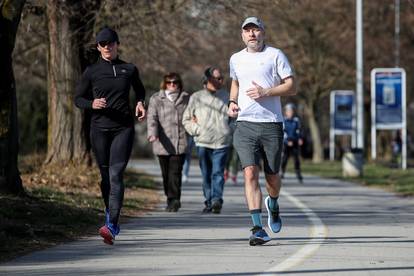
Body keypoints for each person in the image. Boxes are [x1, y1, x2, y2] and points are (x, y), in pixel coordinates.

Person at [228, 17, 296, 246]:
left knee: (272, 176)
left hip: (272, 124)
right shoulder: (235, 58)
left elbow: (291, 86)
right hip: (245, 124)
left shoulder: (275, 55)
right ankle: (257, 228)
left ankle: (273, 204)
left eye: (255, 30)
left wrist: (267, 91)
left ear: (263, 33)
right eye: (247, 31)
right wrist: (232, 101)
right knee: (249, 172)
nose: (252, 34)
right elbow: (235, 82)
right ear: (242, 35)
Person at [75, 27, 146, 245]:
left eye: (110, 43)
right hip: (99, 130)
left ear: (117, 44)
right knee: (105, 178)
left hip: (123, 129)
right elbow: (78, 98)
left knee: (116, 175)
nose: (107, 47)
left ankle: (112, 225)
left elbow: (140, 90)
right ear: (98, 47)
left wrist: (141, 103)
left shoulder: (129, 69)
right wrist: (91, 103)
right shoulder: (92, 71)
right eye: (102, 44)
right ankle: (109, 212)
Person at [182, 67, 231, 214]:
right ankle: (209, 201)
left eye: (221, 78)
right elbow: (186, 119)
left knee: (218, 172)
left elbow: (236, 118)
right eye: (216, 78)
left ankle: (216, 200)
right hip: (203, 142)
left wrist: (230, 131)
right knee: (206, 174)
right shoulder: (196, 97)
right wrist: (197, 131)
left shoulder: (228, 96)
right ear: (207, 80)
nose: (219, 80)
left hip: (222, 142)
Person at [147, 73, 190, 212]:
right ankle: (169, 198)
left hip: (180, 142)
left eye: (175, 82)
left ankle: (175, 200)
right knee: (166, 174)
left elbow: (192, 114)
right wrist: (152, 134)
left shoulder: (186, 98)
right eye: (169, 82)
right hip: (162, 143)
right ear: (164, 84)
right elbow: (152, 118)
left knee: (175, 173)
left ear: (179, 83)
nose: (172, 85)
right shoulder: (156, 98)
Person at [281, 103, 303, 183]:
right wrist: (287, 141)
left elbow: (299, 130)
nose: (290, 113)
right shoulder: (284, 120)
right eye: (289, 111)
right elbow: (283, 132)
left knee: (296, 159)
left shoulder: (296, 120)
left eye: (292, 111)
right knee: (285, 158)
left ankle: (298, 174)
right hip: (287, 143)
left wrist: (300, 138)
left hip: (295, 142)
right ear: (286, 112)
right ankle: (282, 172)